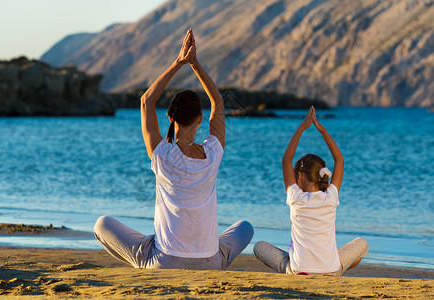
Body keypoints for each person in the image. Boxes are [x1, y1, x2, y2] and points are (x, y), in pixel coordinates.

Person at [94, 29, 253, 270]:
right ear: (200, 119)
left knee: (101, 225)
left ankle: (146, 262)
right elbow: (218, 102)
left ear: (170, 117)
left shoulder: (161, 154)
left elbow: (147, 100)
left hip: (164, 261)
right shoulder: (213, 153)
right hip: (210, 262)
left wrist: (178, 62)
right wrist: (195, 64)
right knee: (245, 227)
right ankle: (201, 254)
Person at [254, 106, 368, 276]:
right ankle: (333, 268)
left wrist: (301, 128)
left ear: (299, 176)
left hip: (298, 271)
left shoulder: (295, 197)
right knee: (362, 244)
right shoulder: (331, 196)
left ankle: (306, 266)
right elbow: (339, 160)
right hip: (330, 270)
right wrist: (322, 131)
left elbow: (286, 159)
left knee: (258, 247)